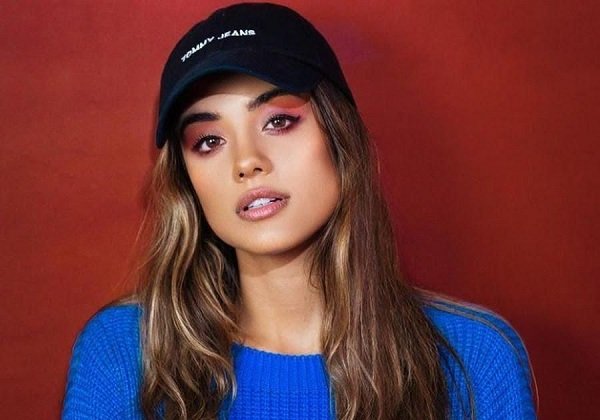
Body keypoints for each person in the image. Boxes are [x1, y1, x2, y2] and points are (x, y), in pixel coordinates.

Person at [62, 3, 536, 419]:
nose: (247, 161)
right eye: (208, 141)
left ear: (338, 136)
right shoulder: (123, 353)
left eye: (279, 121)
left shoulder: (473, 359)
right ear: (187, 181)